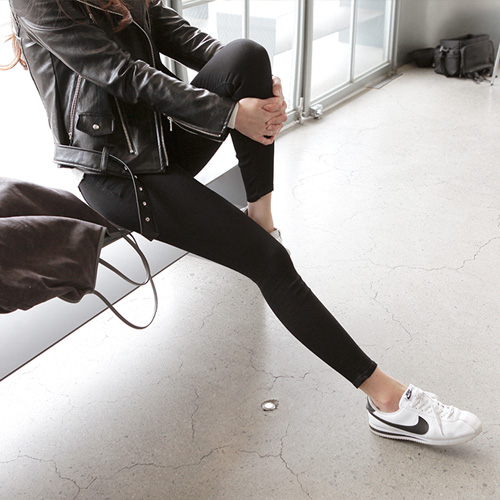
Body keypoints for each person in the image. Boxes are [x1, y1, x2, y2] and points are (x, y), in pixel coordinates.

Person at [4, 0, 481, 446]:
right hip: (117, 173)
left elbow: (176, 32)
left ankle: (261, 217)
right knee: (270, 262)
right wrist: (232, 114)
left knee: (247, 56)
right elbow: (123, 74)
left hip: (161, 144)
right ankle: (389, 404)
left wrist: (263, 95)